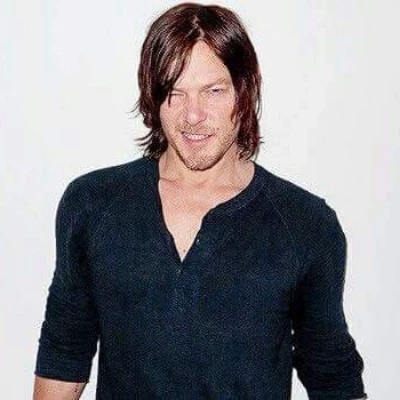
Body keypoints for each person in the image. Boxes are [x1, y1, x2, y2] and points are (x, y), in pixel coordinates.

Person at [33, 3, 368, 399]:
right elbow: (64, 354)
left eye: (213, 91)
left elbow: (332, 376)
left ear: (244, 90)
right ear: (153, 97)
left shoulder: (305, 225)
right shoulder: (93, 205)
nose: (193, 115)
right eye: (175, 92)